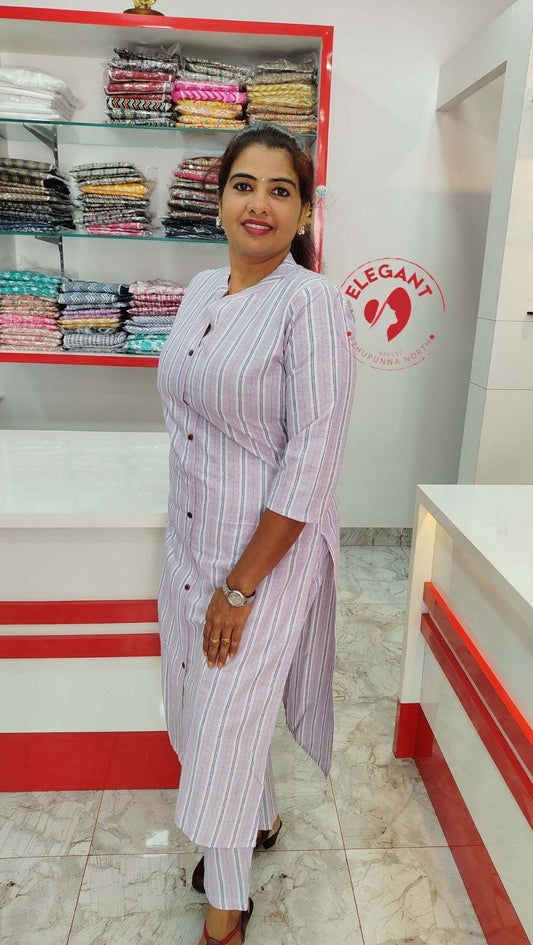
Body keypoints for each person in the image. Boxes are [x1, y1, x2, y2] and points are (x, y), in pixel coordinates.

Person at [157, 122, 356, 945]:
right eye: (245, 185)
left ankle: (226, 905)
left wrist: (240, 586)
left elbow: (313, 458)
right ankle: (261, 820)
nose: (260, 204)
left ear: (304, 211)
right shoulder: (204, 290)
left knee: (230, 721)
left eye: (282, 190)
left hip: (266, 557)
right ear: (220, 200)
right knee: (195, 706)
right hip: (189, 543)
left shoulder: (313, 305)